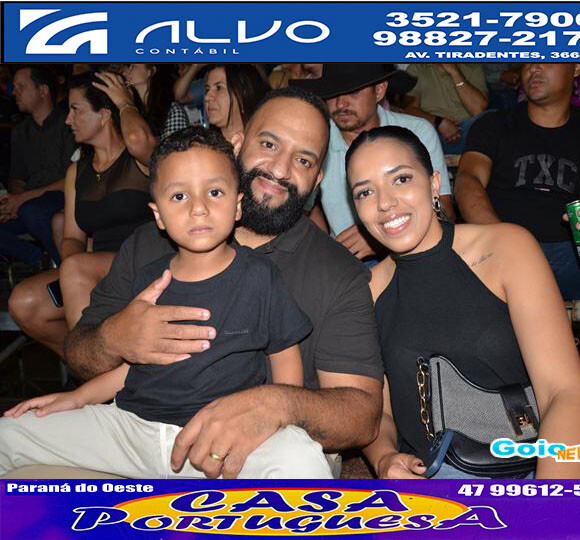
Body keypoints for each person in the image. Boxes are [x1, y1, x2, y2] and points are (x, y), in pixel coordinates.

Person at [56, 87, 383, 480]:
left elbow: (363, 415)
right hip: (137, 434)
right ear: (237, 143)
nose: (280, 170)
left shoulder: (336, 272)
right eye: (269, 144)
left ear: (317, 178)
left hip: (267, 453)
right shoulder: (149, 244)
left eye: (303, 160)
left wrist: (277, 406)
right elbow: (79, 353)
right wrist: (114, 338)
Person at [0, 126, 330, 480]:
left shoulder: (260, 277)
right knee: (9, 434)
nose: (199, 208)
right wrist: (78, 398)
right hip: (130, 429)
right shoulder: (149, 278)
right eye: (179, 196)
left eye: (214, 192)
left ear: (237, 206)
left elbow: (284, 359)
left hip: (218, 435)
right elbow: (133, 367)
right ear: (158, 215)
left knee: (300, 456)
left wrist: (276, 420)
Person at [345, 125, 580, 479]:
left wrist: (549, 501)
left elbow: (563, 391)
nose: (384, 203)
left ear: (434, 184)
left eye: (401, 179)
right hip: (439, 479)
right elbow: (377, 413)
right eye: (365, 192)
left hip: (551, 463)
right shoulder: (366, 292)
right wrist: (384, 458)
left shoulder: (505, 248)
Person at [454, 63, 580, 455]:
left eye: (548, 57)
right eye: (528, 60)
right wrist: (505, 244)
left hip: (574, 256)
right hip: (501, 257)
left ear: (577, 68)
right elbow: (468, 182)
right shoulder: (495, 124)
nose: (534, 68)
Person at [8, 72, 154, 356]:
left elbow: (138, 139)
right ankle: (101, 363)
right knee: (24, 302)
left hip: (142, 262)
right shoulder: (77, 171)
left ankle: (89, 366)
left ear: (104, 115)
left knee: (75, 269)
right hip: (94, 270)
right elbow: (72, 238)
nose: (67, 120)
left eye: (75, 110)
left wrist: (125, 102)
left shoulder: (139, 159)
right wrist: (74, 270)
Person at [291, 63, 452, 260]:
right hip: (350, 262)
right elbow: (302, 209)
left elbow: (446, 212)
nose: (341, 104)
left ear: (379, 91)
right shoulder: (318, 140)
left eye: (352, 92)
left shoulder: (417, 132)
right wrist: (328, 249)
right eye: (332, 94)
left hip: (419, 250)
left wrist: (376, 235)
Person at [0, 65, 75, 267]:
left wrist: (22, 200)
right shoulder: (20, 132)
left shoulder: (68, 124)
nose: (14, 92)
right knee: (25, 211)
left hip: (62, 197)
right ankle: (41, 260)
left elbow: (72, 179)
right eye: (13, 87)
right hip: (30, 202)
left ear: (43, 90)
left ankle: (66, 267)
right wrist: (13, 202)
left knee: (32, 211)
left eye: (21, 87)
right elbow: (17, 178)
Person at [404, 63, 489, 155]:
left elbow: (478, 110)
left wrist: (455, 72)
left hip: (468, 131)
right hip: (436, 133)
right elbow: (409, 110)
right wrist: (439, 122)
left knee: (492, 119)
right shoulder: (417, 67)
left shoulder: (472, 65)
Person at [203, 64, 270, 142]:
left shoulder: (264, 142)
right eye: (207, 89)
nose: (207, 97)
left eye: (219, 88)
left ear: (243, 93)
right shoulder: (203, 145)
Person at [122, 63, 189, 139]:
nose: (125, 72)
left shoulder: (172, 110)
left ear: (150, 71)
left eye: (133, 66)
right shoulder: (132, 109)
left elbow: (175, 144)